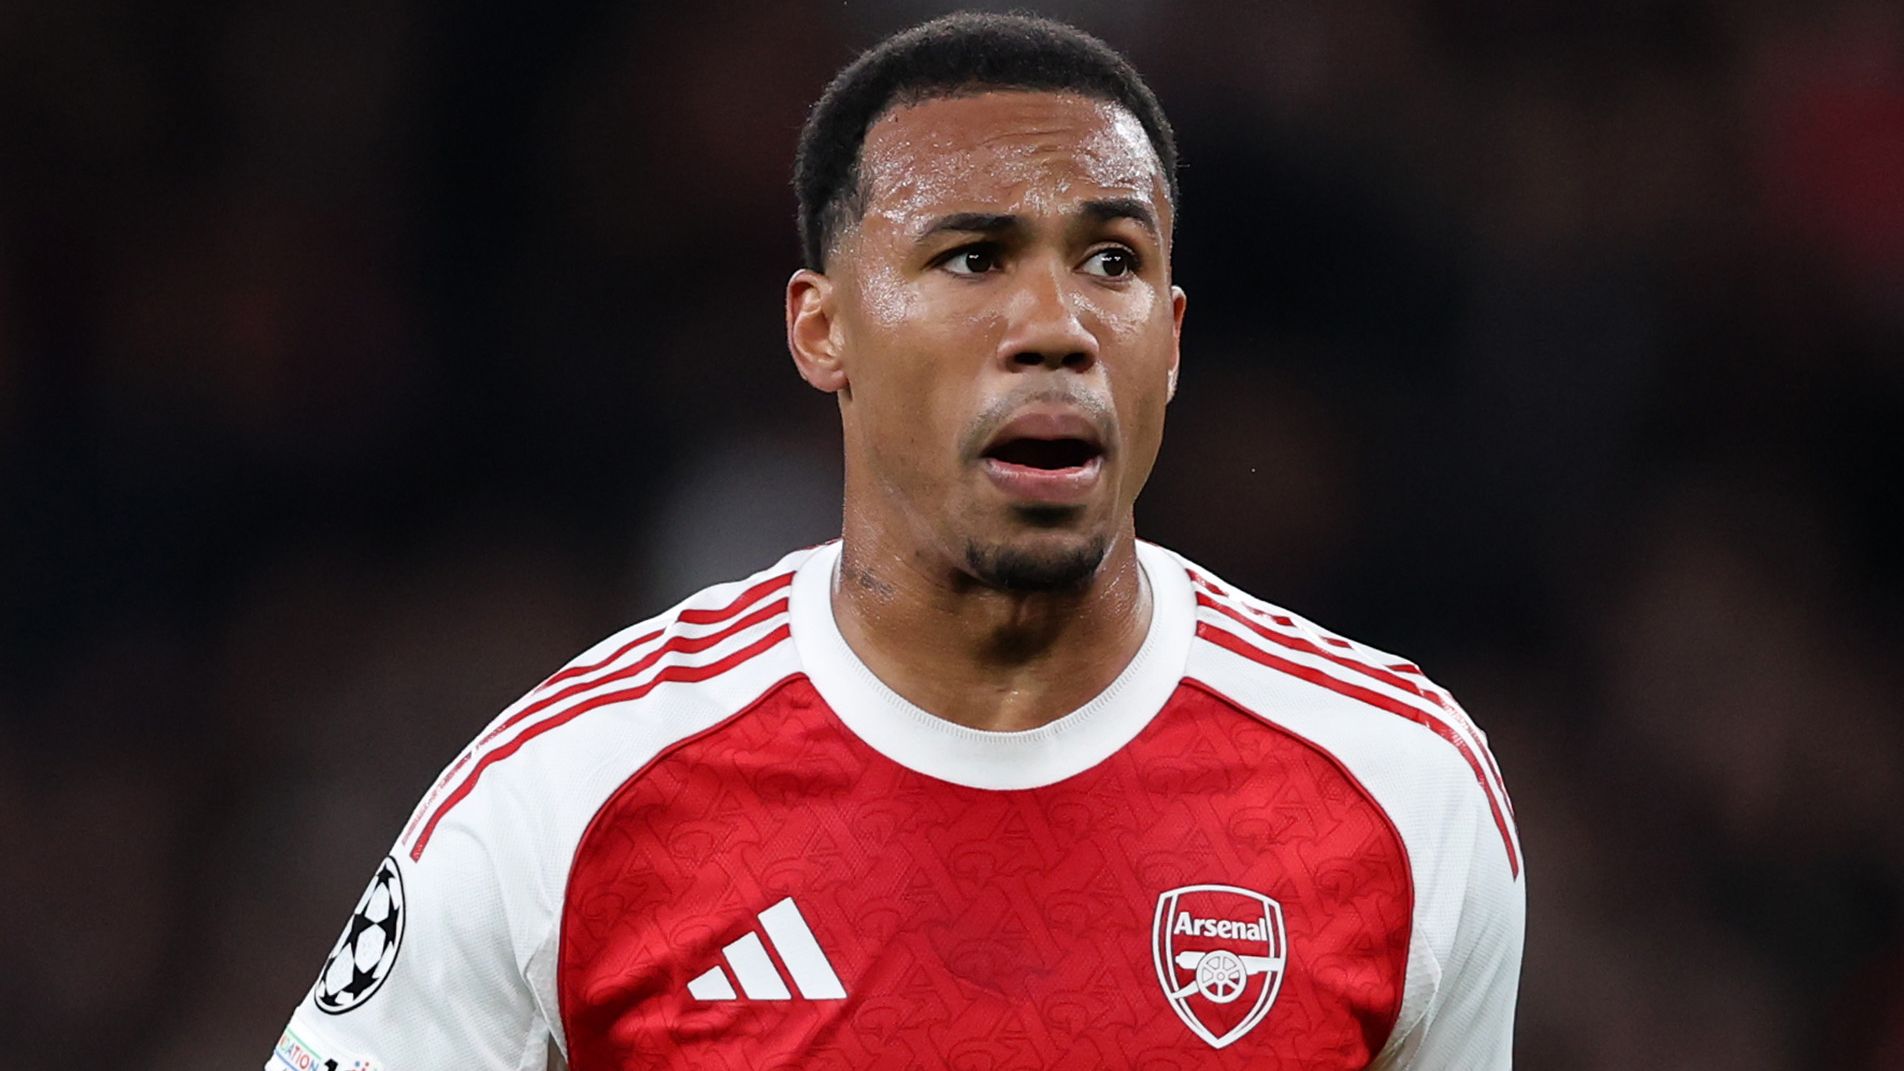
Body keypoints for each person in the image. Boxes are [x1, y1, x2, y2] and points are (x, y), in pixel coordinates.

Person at [266, 12, 1523, 1070]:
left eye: (1109, 261)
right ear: (823, 331)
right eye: (972, 257)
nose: (1055, 325)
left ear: (1172, 337)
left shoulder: (1398, 787)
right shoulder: (574, 794)